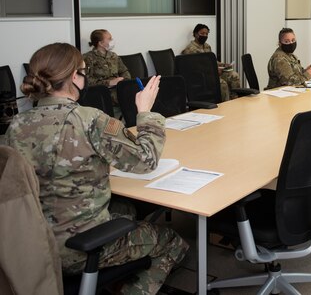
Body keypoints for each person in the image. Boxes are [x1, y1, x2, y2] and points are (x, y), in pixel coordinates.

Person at [6, 43, 188, 295]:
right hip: (77, 248)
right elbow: (146, 160)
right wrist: (145, 112)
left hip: (34, 243)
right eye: (83, 71)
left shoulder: (16, 124)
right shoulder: (89, 119)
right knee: (172, 241)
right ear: (74, 77)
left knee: (127, 209)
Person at [182, 23, 241, 101]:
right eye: (202, 33)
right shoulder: (190, 50)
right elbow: (195, 68)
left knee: (234, 75)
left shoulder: (207, 46)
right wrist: (214, 71)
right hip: (201, 77)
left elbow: (213, 61)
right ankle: (224, 105)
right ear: (195, 34)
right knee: (222, 83)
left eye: (206, 34)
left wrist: (223, 64)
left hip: (213, 73)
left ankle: (235, 100)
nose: (205, 36)